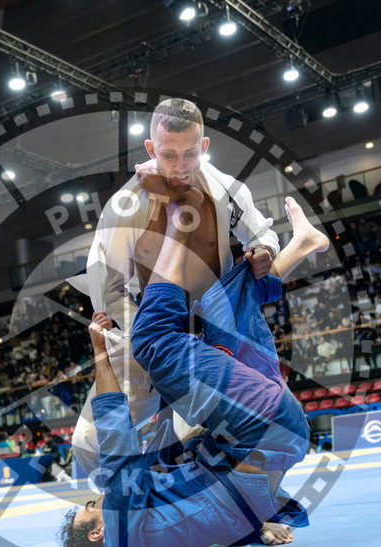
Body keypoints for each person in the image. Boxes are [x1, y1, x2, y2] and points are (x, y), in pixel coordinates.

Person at [59, 206, 326, 547]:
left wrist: (258, 529)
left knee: (218, 308)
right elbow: (113, 430)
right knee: (152, 339)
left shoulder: (153, 542)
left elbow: (209, 522)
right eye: (92, 506)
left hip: (282, 438)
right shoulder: (121, 527)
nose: (100, 497)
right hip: (257, 426)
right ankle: (180, 224)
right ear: (97, 533)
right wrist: (100, 352)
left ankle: (303, 244)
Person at [70, 98, 281, 480]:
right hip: (146, 325)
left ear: (204, 146)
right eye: (169, 155)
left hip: (215, 323)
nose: (181, 165)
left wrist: (264, 250)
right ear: (152, 149)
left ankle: (245, 499)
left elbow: (261, 232)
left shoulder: (225, 189)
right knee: (89, 443)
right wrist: (152, 339)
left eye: (190, 153)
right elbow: (108, 287)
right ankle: (116, 505)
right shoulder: (125, 206)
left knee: (223, 429)